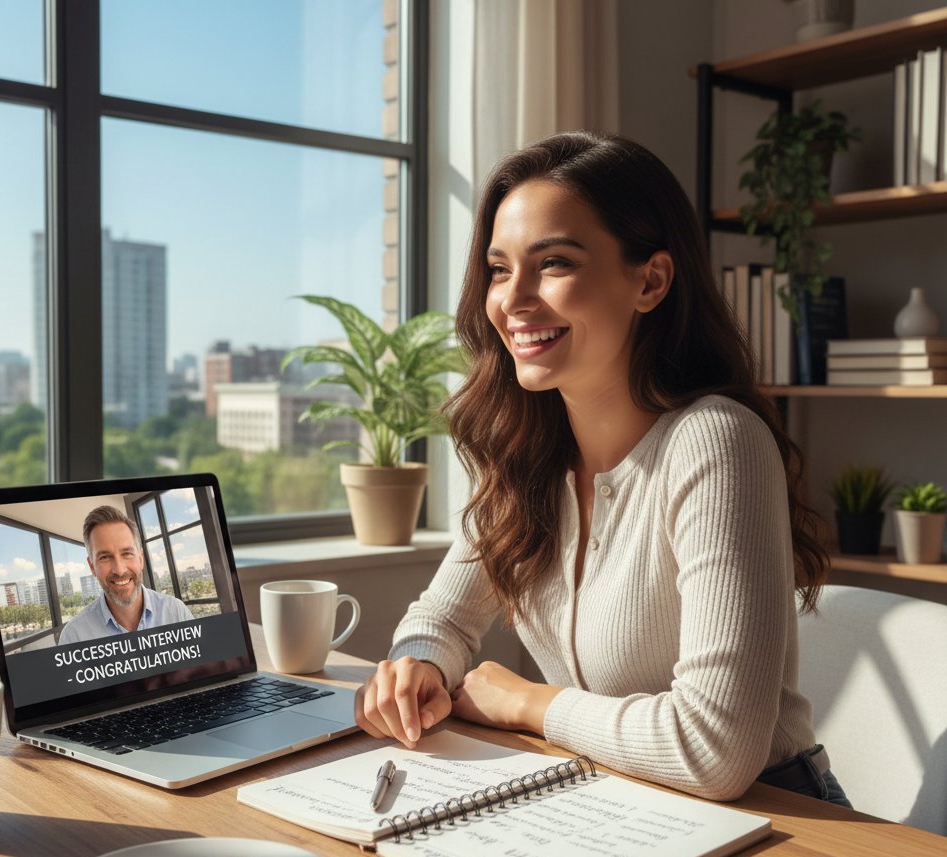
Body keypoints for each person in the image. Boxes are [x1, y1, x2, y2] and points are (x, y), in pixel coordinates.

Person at [356, 131, 851, 807]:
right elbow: (442, 619)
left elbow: (716, 748)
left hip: (778, 818)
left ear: (649, 281)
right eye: (500, 269)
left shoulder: (716, 443)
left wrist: (529, 704)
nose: (513, 299)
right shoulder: (525, 452)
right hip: (614, 795)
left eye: (553, 263)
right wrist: (416, 667)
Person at [58, 505, 194, 644]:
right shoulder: (73, 637)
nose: (120, 570)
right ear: (92, 566)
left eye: (127, 554)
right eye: (105, 557)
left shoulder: (177, 614)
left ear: (140, 559)